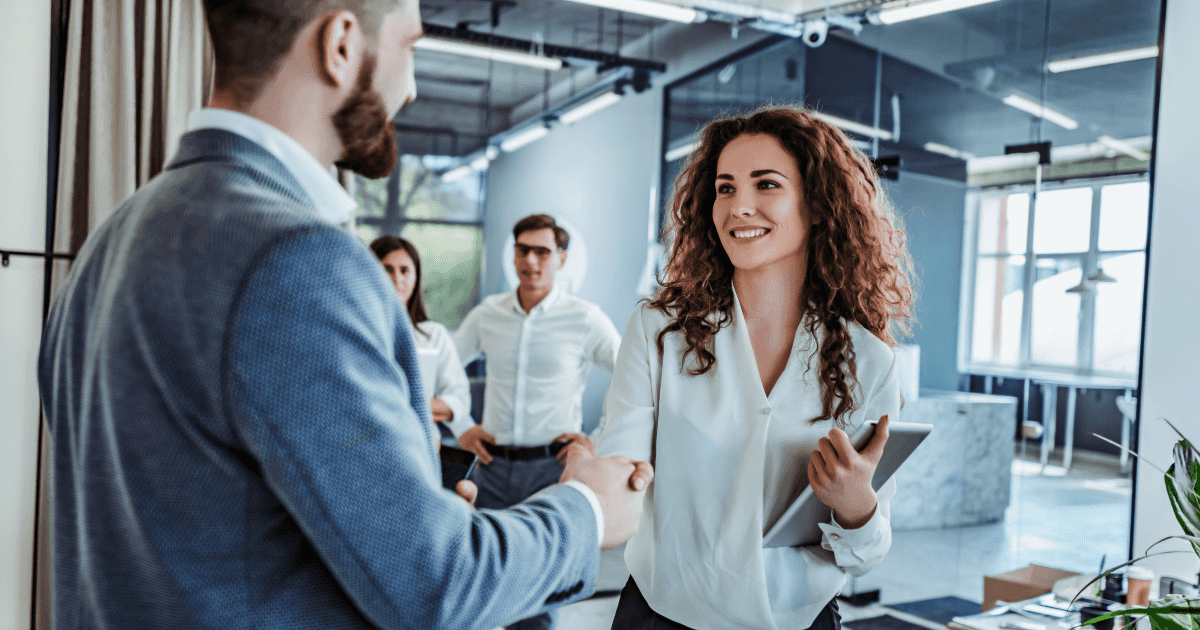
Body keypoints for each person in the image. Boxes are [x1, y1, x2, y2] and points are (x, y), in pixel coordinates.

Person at [36, 2, 652, 628]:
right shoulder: (296, 260)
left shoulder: (108, 243)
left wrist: (398, 500)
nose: (409, 87)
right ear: (340, 44)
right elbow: (437, 584)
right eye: (409, 48)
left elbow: (200, 523)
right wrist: (588, 507)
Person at [595, 105, 916, 630]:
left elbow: (866, 553)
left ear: (816, 205)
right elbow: (619, 471)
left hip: (800, 620)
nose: (739, 206)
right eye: (725, 188)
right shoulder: (658, 330)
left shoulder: (869, 360)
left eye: (766, 184)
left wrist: (857, 504)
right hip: (662, 615)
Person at [452, 214, 623, 630]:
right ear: (512, 255)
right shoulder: (488, 313)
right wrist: (461, 425)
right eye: (522, 250)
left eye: (542, 251)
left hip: (550, 471)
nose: (531, 261)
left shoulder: (584, 318)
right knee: (477, 578)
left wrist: (593, 442)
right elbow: (446, 371)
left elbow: (632, 380)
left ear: (561, 258)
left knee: (540, 595)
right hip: (489, 468)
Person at [370, 235, 470, 439]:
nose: (397, 279)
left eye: (405, 270)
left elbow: (459, 399)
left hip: (421, 450)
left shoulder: (434, 336)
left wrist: (405, 407)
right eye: (387, 270)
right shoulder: (357, 334)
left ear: (416, 277)